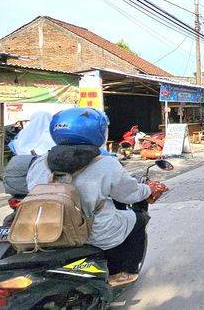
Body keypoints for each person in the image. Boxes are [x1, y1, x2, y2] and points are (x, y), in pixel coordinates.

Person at [26, 108, 152, 287]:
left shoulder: (40, 162)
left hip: (46, 227)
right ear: (98, 132)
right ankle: (121, 271)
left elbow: (30, 187)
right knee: (138, 220)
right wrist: (147, 190)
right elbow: (129, 194)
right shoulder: (106, 164)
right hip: (93, 232)